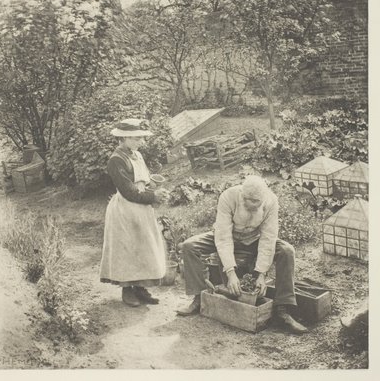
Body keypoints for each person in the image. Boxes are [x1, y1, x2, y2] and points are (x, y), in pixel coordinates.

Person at [176, 175, 308, 334]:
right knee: (190, 246)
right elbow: (223, 237)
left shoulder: (271, 201)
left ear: (263, 199)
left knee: (287, 251)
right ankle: (199, 298)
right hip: (228, 235)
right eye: (247, 200)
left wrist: (261, 274)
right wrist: (230, 273)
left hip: (254, 239)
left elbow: (268, 238)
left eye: (256, 202)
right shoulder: (228, 196)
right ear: (242, 194)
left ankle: (282, 310)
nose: (251, 204)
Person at [100, 118, 169, 307]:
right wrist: (153, 197)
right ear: (123, 138)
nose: (140, 142)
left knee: (143, 248)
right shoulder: (116, 160)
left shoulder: (137, 155)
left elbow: (142, 182)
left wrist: (154, 188)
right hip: (125, 210)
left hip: (141, 209)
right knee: (128, 250)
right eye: (136, 138)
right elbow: (128, 191)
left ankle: (141, 288)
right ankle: (127, 290)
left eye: (141, 138)